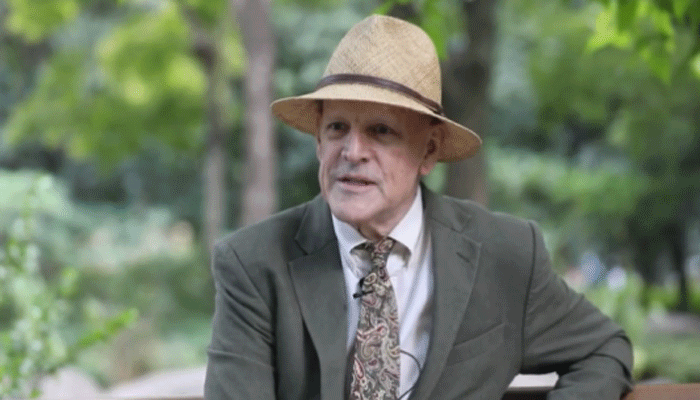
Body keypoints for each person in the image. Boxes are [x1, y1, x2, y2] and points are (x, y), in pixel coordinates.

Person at [204, 15, 633, 400]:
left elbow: (602, 349)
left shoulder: (506, 254)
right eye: (337, 127)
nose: (352, 151)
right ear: (318, 141)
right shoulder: (253, 263)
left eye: (380, 131)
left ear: (428, 151)